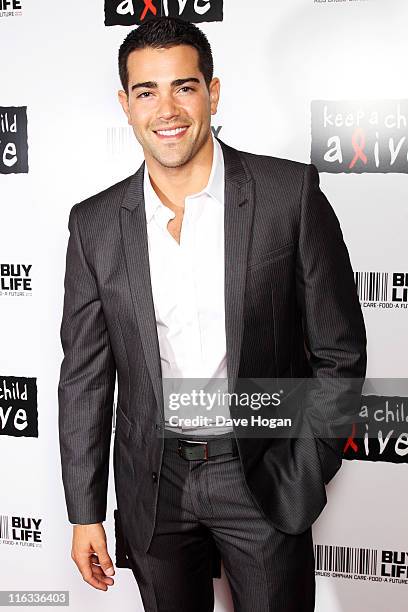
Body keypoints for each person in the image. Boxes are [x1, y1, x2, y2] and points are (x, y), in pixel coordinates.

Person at [58, 16, 367, 612]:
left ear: (213, 92)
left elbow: (340, 351)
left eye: (184, 86)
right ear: (126, 105)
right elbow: (85, 379)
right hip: (154, 483)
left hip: (261, 473)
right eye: (147, 91)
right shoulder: (93, 225)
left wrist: (304, 469)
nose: (166, 108)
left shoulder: (288, 195)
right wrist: (84, 511)